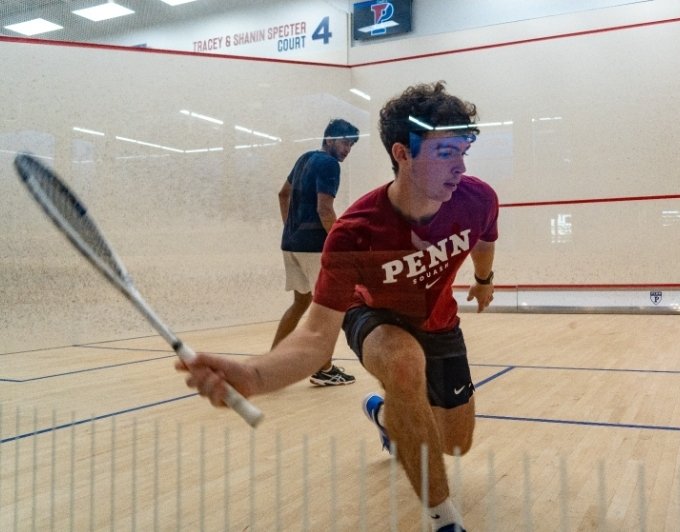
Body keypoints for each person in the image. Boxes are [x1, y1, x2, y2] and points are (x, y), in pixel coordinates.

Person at [178, 81, 496, 532]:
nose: (461, 166)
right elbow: (314, 336)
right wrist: (254, 374)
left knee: (455, 443)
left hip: (440, 322)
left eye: (464, 150)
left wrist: (485, 282)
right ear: (402, 153)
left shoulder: (478, 199)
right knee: (404, 365)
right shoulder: (354, 233)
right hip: (375, 317)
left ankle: (385, 416)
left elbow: (484, 243)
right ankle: (444, 520)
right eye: (446, 152)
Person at [272, 118, 360, 386]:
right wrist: (340, 244)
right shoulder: (329, 164)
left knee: (301, 302)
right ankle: (323, 369)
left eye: (352, 145)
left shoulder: (305, 159)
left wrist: (292, 228)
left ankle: (273, 363)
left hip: (291, 244)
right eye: (345, 142)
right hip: (314, 248)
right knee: (330, 308)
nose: (347, 150)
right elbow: (325, 209)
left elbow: (282, 194)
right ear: (331, 139)